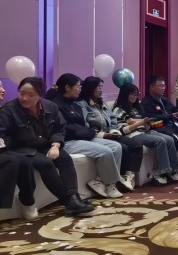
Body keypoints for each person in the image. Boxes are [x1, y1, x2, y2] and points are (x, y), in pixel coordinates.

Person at [0, 77, 93, 216]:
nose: (24, 98)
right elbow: (2, 134)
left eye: (30, 95)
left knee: (64, 158)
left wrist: (55, 145)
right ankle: (69, 202)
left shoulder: (50, 107)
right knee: (46, 164)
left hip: (46, 144)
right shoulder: (9, 110)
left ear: (40, 95)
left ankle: (74, 198)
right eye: (21, 93)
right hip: (23, 149)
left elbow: (60, 128)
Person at [47, 74, 125, 198]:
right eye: (78, 86)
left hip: (83, 138)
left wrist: (91, 128)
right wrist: (89, 131)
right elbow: (67, 129)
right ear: (67, 88)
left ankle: (99, 181)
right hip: (68, 142)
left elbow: (84, 124)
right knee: (105, 152)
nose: (80, 89)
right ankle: (110, 185)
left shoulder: (75, 104)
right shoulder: (55, 105)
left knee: (116, 147)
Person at [78, 76, 143, 188]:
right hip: (97, 136)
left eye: (102, 87)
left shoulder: (101, 103)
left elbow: (112, 119)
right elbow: (85, 125)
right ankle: (116, 178)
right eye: (99, 87)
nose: (101, 90)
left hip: (110, 133)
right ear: (90, 88)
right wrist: (103, 134)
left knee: (136, 145)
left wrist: (114, 131)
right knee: (123, 148)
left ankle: (128, 176)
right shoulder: (82, 104)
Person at [113, 83, 178, 186]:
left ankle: (173, 169)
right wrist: (140, 123)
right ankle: (159, 172)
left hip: (144, 132)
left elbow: (144, 124)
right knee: (160, 141)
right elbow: (123, 130)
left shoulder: (136, 107)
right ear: (125, 94)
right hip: (132, 135)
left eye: (136, 95)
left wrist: (146, 124)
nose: (134, 97)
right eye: (132, 94)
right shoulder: (118, 110)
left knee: (169, 139)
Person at [141, 76, 178, 175]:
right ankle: (171, 168)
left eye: (164, 86)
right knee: (176, 138)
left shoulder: (165, 100)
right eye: (160, 86)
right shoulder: (146, 102)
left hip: (173, 126)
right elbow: (151, 118)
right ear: (152, 87)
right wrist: (169, 116)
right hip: (159, 127)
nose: (163, 88)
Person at [0, 79, 39, 219]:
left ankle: (27, 201)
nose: (3, 90)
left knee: (25, 161)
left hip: (3, 149)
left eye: (2, 86)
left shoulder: (2, 109)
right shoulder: (8, 109)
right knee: (12, 161)